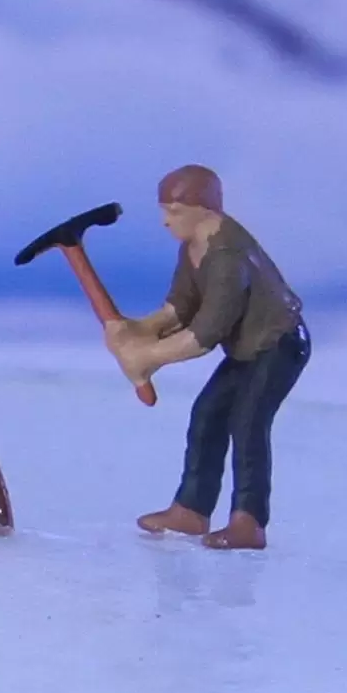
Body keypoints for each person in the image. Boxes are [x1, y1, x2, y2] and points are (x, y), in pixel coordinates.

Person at [104, 164, 311, 550]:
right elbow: (181, 306)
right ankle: (191, 511)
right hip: (247, 347)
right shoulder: (193, 247)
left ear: (204, 209)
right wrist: (140, 329)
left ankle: (249, 522)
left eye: (174, 212)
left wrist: (149, 357)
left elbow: (205, 334)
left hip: (279, 344)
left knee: (248, 423)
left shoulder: (226, 256)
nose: (166, 222)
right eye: (165, 211)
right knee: (207, 414)